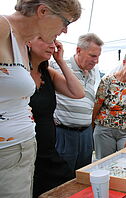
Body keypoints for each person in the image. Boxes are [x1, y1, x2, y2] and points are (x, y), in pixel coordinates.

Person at [0, 1, 81, 198]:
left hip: (24, 149)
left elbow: (78, 93)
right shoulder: (3, 28)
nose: (65, 31)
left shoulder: (19, 42)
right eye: (65, 23)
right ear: (43, 11)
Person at [28, 37, 84, 197]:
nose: (52, 45)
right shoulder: (17, 74)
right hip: (25, 153)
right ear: (28, 41)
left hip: (47, 152)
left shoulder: (48, 73)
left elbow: (78, 92)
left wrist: (60, 61)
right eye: (46, 40)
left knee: (67, 187)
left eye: (54, 41)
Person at [52, 33, 104, 172]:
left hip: (85, 134)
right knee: (63, 175)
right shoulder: (58, 67)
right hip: (65, 133)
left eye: (98, 56)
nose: (96, 61)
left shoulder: (93, 72)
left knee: (83, 175)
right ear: (78, 50)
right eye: (93, 56)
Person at [92, 50, 126, 159]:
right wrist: (93, 127)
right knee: (105, 164)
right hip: (104, 130)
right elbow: (97, 107)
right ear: (124, 62)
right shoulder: (107, 81)